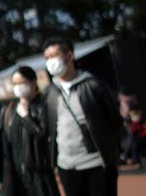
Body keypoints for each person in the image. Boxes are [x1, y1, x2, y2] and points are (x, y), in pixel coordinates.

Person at [42, 37, 121, 196]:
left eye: (55, 55)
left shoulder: (93, 85)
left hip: (98, 164)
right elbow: (49, 129)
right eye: (47, 57)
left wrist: (111, 151)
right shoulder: (49, 92)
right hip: (67, 167)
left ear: (70, 56)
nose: (51, 61)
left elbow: (115, 120)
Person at [0, 66, 59, 196]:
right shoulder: (8, 109)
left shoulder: (43, 106)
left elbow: (43, 134)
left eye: (22, 82)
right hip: (14, 173)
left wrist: (26, 117)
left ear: (34, 82)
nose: (18, 86)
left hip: (39, 171)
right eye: (15, 83)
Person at [120, 102, 146, 166]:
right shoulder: (135, 122)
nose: (132, 117)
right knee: (132, 141)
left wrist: (137, 130)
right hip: (139, 140)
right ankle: (134, 161)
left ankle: (125, 156)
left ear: (139, 113)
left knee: (133, 140)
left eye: (133, 114)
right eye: (131, 115)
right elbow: (133, 131)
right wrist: (129, 127)